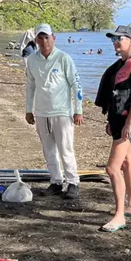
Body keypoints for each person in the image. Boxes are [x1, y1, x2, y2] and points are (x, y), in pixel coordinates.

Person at [94, 25, 131, 233]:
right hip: (119, 121)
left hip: (128, 122)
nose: (116, 42)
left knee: (111, 168)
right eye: (113, 39)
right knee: (127, 163)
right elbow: (117, 95)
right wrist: (112, 120)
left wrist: (128, 124)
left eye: (121, 38)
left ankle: (119, 216)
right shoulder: (119, 65)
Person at [25, 23, 84, 199]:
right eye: (40, 38)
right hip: (42, 112)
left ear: (53, 38)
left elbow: (76, 84)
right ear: (35, 40)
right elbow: (30, 86)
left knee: (66, 149)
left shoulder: (63, 58)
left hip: (62, 112)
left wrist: (78, 110)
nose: (44, 42)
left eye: (47, 37)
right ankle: (56, 181)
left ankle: (72, 182)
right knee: (48, 149)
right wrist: (29, 110)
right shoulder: (31, 60)